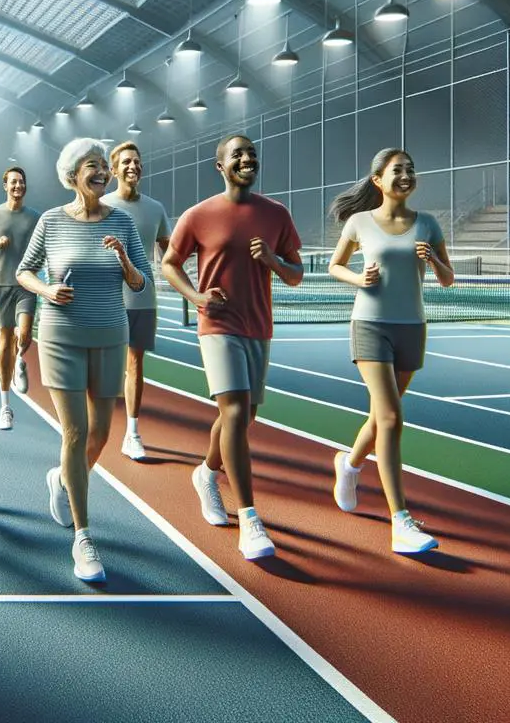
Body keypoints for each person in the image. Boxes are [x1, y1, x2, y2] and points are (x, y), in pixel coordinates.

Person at [159, 135, 302, 561]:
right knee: (236, 412)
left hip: (258, 327)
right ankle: (251, 519)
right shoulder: (198, 215)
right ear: (219, 166)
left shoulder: (276, 215)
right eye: (237, 153)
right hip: (217, 324)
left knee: (242, 415)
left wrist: (274, 262)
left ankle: (206, 472)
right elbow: (169, 262)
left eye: (252, 153)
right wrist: (196, 297)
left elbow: (295, 275)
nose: (247, 158)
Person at [17, 138, 149, 583]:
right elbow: (24, 270)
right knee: (74, 432)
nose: (101, 173)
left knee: (100, 433)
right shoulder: (52, 221)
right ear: (73, 174)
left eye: (102, 167)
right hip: (61, 337)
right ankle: (84, 536)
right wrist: (47, 290)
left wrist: (123, 257)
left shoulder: (124, 223)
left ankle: (62, 479)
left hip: (111, 335)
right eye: (91, 166)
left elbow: (138, 283)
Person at [327, 148, 454, 555]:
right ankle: (400, 521)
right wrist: (358, 278)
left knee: (381, 417)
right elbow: (334, 265)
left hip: (412, 328)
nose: (406, 175)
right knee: (391, 417)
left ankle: (348, 465)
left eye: (411, 170)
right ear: (378, 179)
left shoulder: (429, 224)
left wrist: (433, 258)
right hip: (370, 326)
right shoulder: (359, 222)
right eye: (398, 170)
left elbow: (449, 280)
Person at [100, 142, 171, 461]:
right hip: (103, 298)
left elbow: (170, 255)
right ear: (113, 171)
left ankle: (131, 432)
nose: (133, 166)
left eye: (137, 161)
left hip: (142, 298)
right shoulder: (99, 205)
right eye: (126, 162)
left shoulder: (155, 209)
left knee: (134, 364)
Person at [0, 166, 41, 431]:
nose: (18, 186)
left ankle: (20, 359)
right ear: (5, 186)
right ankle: (5, 406)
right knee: (4, 339)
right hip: (1, 284)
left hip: (26, 283)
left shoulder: (36, 217)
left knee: (25, 334)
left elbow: (45, 246)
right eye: (13, 182)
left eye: (22, 182)